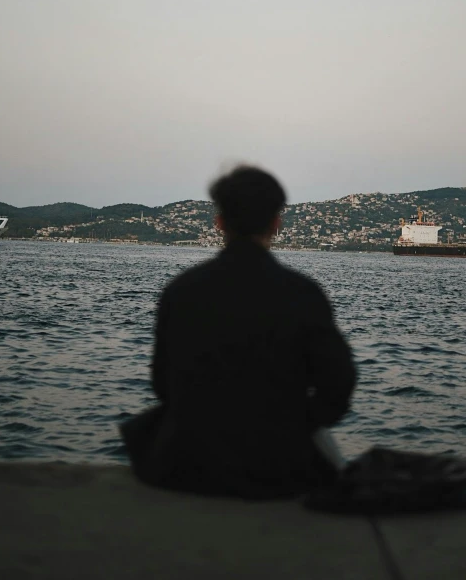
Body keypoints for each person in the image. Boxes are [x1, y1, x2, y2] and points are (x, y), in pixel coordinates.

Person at [121, 166, 357, 499]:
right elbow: (338, 386)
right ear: (277, 222)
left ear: (219, 222)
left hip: (191, 465)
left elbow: (164, 386)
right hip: (280, 467)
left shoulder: (180, 292)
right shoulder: (303, 294)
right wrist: (293, 424)